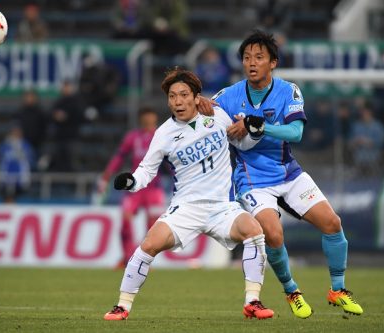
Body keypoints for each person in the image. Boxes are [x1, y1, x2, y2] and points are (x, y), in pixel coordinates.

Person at [198, 29, 364, 318]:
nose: (251, 62)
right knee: (273, 235)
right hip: (252, 180)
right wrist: (198, 107)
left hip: (289, 173)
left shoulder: (289, 91)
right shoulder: (228, 95)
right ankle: (292, 291)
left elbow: (296, 132)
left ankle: (337, 289)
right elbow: (207, 117)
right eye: (247, 57)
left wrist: (256, 124)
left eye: (259, 57)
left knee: (332, 223)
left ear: (272, 62)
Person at [103, 68, 274, 321]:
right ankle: (122, 306)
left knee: (254, 231)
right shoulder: (164, 133)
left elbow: (242, 144)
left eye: (184, 95)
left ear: (196, 97)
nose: (178, 101)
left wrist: (255, 132)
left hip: (222, 207)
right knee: (148, 245)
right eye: (172, 96)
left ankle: (252, 301)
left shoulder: (217, 115)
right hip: (186, 208)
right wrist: (131, 181)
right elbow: (145, 172)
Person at [97, 107, 165, 268]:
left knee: (153, 226)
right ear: (141, 119)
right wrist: (107, 174)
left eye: (151, 118)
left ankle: (145, 260)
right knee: (126, 220)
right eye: (146, 118)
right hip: (135, 186)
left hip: (154, 188)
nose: (149, 121)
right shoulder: (133, 137)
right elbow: (119, 156)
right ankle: (127, 257)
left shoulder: (162, 136)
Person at [0, 126, 34, 203]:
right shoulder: (6, 145)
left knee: (19, 196)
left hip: (21, 177)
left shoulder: (25, 145)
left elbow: (29, 159)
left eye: (18, 132)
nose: (16, 134)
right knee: (7, 195)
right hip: (7, 176)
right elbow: (2, 159)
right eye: (14, 132)